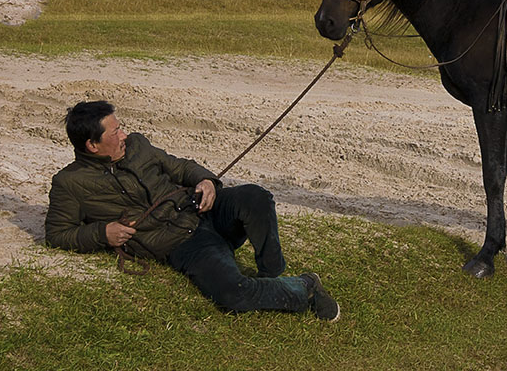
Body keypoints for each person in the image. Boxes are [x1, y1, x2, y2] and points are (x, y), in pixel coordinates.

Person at [45, 100, 339, 321]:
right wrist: (101, 233)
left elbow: (180, 167)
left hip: (203, 209)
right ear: (92, 145)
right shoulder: (69, 183)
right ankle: (305, 287)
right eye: (116, 131)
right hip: (183, 244)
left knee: (256, 197)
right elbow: (57, 233)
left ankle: (272, 272)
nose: (124, 134)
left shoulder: (138, 145)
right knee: (232, 294)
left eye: (120, 127)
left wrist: (207, 181)